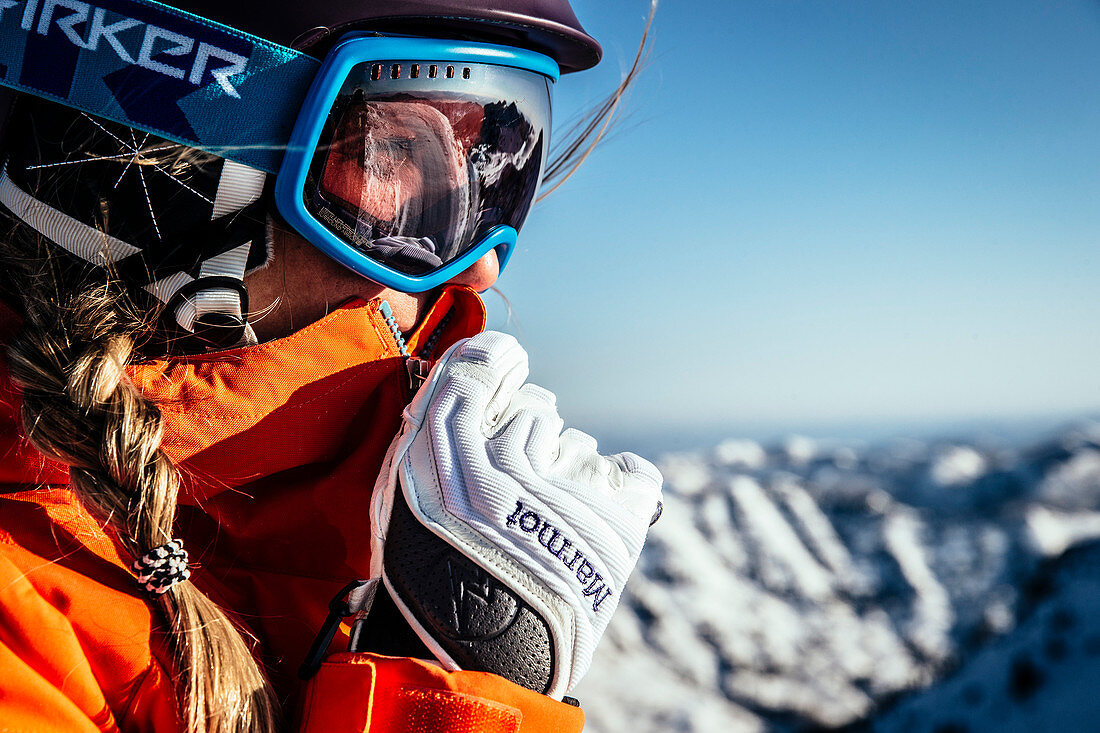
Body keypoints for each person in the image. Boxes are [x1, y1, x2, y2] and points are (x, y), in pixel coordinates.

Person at [0, 1, 662, 732]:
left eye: (494, 174)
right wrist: (443, 701)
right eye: (396, 153)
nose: (479, 270)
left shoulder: (320, 529)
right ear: (168, 177)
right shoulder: (23, 641)